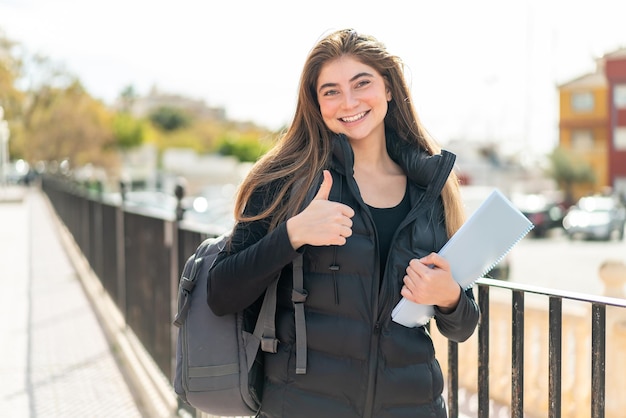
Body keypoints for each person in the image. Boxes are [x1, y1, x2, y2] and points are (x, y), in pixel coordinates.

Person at [207, 28, 480, 418]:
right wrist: (293, 234)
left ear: (388, 88)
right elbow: (221, 294)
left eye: (361, 83)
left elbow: (463, 327)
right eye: (331, 91)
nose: (348, 102)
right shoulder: (286, 181)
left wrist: (449, 296)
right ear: (316, 104)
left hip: (414, 407)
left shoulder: (430, 188)